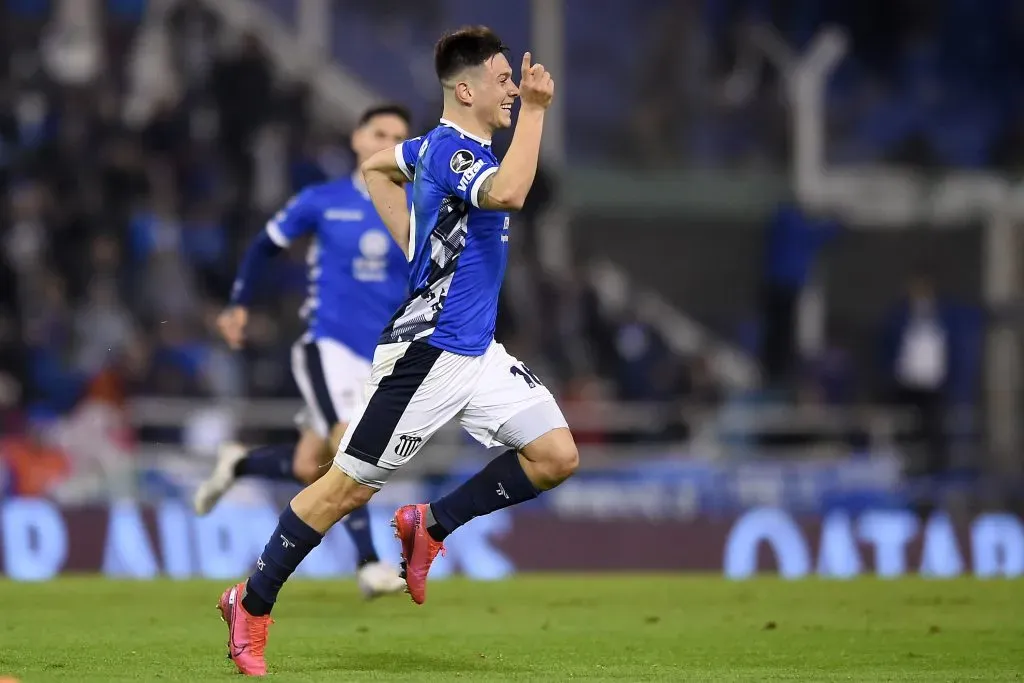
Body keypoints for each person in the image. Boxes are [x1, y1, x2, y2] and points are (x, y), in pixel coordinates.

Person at [214, 26, 580, 677]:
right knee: (342, 490)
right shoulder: (455, 152)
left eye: (513, 84)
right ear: (465, 90)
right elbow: (510, 193)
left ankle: (430, 524)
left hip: (477, 352)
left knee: (555, 455)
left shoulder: (434, 148)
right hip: (427, 354)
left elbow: (377, 166)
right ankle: (251, 600)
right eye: (502, 81)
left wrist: (414, 239)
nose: (511, 90)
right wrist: (537, 110)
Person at [195, 104, 416, 600]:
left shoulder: (416, 208)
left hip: (382, 355)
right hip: (329, 346)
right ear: (357, 139)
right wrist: (239, 305)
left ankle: (239, 464)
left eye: (398, 136)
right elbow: (265, 245)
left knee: (307, 466)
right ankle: (369, 564)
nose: (388, 142)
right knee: (349, 447)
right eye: (379, 132)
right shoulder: (323, 200)